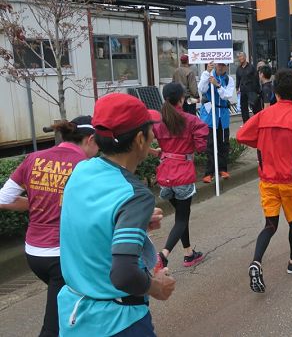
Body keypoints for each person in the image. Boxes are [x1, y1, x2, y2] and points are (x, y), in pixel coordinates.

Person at [57, 93, 174, 336]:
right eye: (150, 129)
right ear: (140, 139)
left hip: (74, 317)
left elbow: (83, 223)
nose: (154, 135)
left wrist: (130, 224)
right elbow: (124, 274)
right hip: (118, 322)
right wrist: (157, 288)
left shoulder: (82, 170)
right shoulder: (135, 195)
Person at [0, 117, 97, 337]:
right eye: (99, 143)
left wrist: (40, 200)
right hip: (63, 256)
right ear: (90, 139)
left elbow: (3, 199)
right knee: (54, 326)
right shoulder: (86, 166)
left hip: (34, 254)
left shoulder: (33, 158)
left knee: (77, 308)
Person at [235, 70, 292, 293]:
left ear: (276, 92)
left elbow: (241, 135)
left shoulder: (264, 114)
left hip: (267, 179)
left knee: (270, 224)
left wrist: (263, 144)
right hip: (290, 179)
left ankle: (256, 262)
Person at [154, 83, 209, 270]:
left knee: (181, 215)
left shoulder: (159, 122)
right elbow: (201, 146)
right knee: (181, 219)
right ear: (181, 99)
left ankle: (188, 253)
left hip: (165, 175)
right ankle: (163, 255)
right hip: (183, 174)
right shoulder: (190, 120)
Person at [199, 62, 235, 183]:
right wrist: (206, 73)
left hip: (223, 115)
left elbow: (228, 95)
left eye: (223, 65)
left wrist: (218, 85)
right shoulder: (208, 75)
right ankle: (209, 173)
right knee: (210, 144)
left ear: (227, 66)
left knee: (223, 143)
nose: (220, 67)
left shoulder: (229, 79)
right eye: (219, 65)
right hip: (210, 115)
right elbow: (201, 89)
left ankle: (222, 169)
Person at [235, 52, 261, 123]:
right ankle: (246, 123)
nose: (240, 58)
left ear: (245, 57)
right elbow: (238, 80)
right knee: (244, 108)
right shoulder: (238, 69)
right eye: (239, 57)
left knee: (255, 107)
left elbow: (256, 79)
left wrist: (257, 91)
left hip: (251, 90)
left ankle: (258, 121)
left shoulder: (251, 67)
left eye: (241, 56)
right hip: (243, 90)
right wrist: (237, 88)